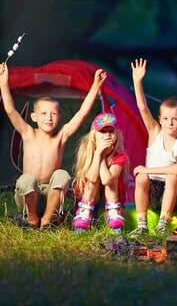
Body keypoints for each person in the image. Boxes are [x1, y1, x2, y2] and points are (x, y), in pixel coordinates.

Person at [0, 62, 106, 229]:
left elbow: (82, 112)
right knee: (26, 178)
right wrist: (3, 82)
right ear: (34, 116)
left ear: (59, 117)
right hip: (29, 194)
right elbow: (10, 109)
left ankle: (48, 218)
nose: (49, 118)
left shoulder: (60, 137)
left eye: (53, 114)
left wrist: (95, 85)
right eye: (44, 113)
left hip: (52, 195)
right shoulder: (28, 133)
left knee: (62, 174)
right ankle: (32, 218)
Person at [129, 58, 177, 236]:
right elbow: (142, 107)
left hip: (170, 194)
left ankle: (163, 223)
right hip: (150, 192)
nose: (169, 123)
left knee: (172, 177)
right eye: (165, 119)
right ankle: (142, 226)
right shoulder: (155, 131)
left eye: (174, 119)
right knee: (141, 178)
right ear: (160, 119)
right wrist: (137, 81)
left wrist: (147, 170)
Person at [73, 113, 129, 232]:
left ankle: (113, 212)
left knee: (110, 180)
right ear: (94, 136)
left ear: (117, 134)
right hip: (89, 195)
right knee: (93, 181)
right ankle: (84, 212)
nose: (108, 135)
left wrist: (102, 156)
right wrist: (98, 153)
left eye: (111, 131)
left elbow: (107, 180)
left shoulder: (120, 156)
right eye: (103, 132)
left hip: (111, 197)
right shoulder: (87, 151)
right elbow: (92, 179)